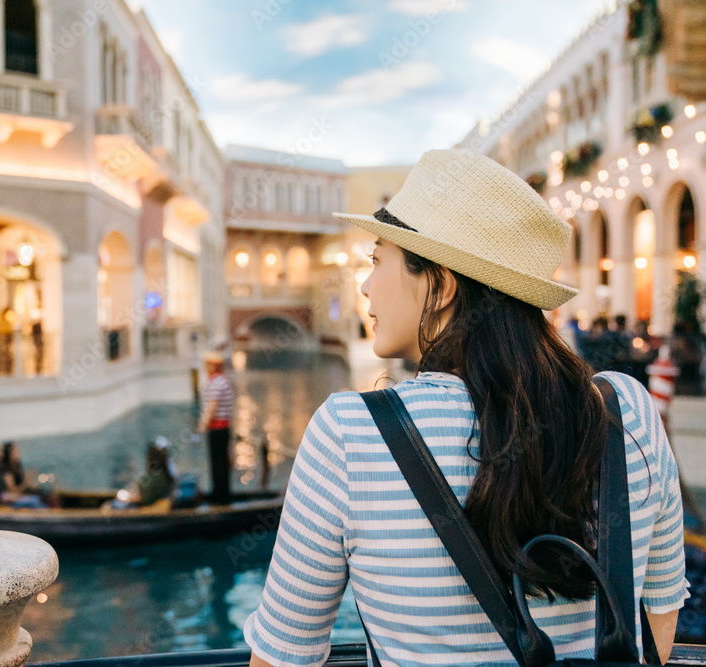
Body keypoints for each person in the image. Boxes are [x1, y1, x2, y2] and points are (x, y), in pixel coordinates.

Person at [244, 149, 688, 667]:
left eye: (377, 260)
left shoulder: (349, 433)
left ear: (440, 285)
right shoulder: (626, 408)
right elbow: (657, 623)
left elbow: (282, 657)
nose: (365, 285)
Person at [196, 351, 235, 505]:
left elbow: (211, 408)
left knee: (218, 464)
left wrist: (200, 428)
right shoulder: (222, 380)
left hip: (217, 429)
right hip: (223, 428)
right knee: (221, 463)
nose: (205, 367)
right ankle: (221, 494)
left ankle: (220, 498)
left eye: (207, 364)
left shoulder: (216, 383)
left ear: (214, 365)